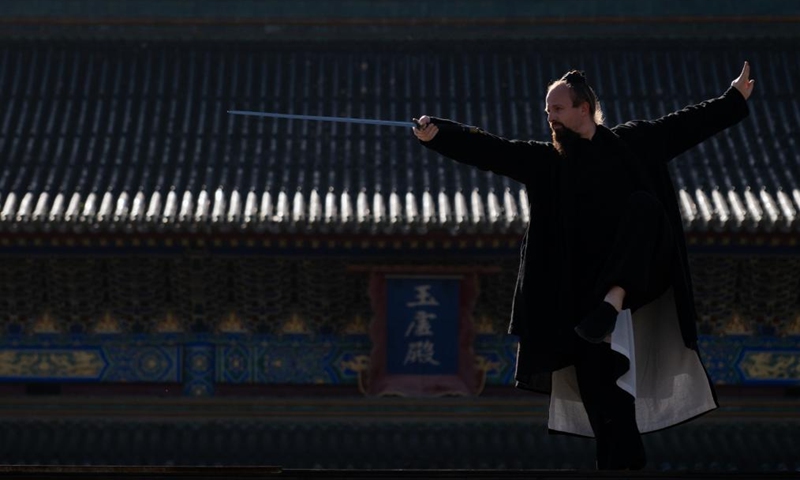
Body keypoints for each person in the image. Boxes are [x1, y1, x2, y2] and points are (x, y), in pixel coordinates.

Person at [413, 63, 754, 470]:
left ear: (585, 108)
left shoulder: (634, 144)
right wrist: (441, 134)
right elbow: (493, 150)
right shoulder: (548, 163)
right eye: (547, 111)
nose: (550, 117)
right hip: (579, 305)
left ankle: (614, 296)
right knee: (609, 415)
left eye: (557, 109)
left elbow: (684, 126)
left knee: (646, 208)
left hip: (627, 293)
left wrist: (733, 100)